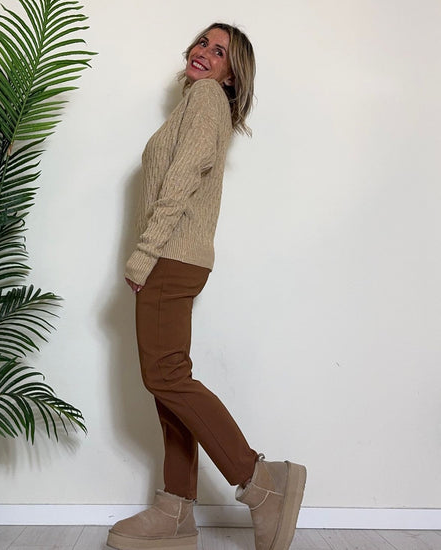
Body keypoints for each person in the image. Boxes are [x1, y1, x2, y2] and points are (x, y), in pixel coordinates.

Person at [107, 23, 306, 550]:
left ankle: (260, 483)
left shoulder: (206, 100)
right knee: (169, 385)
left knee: (166, 377)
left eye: (220, 53)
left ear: (231, 75)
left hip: (170, 257)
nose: (205, 54)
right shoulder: (197, 104)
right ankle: (176, 509)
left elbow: (181, 179)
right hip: (179, 258)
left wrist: (144, 254)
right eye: (203, 43)